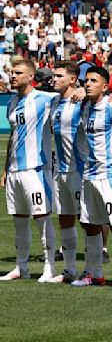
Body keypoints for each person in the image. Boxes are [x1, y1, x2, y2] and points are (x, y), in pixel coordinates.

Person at [71, 66, 112, 289]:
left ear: (104, 86)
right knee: (90, 223)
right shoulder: (84, 106)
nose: (87, 84)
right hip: (89, 174)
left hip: (110, 174)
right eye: (86, 81)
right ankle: (93, 273)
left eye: (93, 81)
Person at [0, 59, 59, 282]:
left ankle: (49, 267)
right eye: (11, 73)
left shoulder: (45, 99)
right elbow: (12, 138)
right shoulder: (13, 103)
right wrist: (5, 169)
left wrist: (81, 90)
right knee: (19, 220)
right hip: (14, 171)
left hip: (35, 169)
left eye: (18, 73)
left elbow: (69, 94)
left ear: (31, 76)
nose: (13, 76)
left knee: (42, 217)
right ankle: (21, 267)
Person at [48, 61, 86, 283]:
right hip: (59, 171)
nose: (54, 79)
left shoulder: (81, 100)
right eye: (54, 75)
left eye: (59, 75)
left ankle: (92, 269)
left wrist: (84, 90)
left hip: (79, 170)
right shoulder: (53, 102)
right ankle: (69, 269)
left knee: (88, 220)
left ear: (72, 79)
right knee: (65, 218)